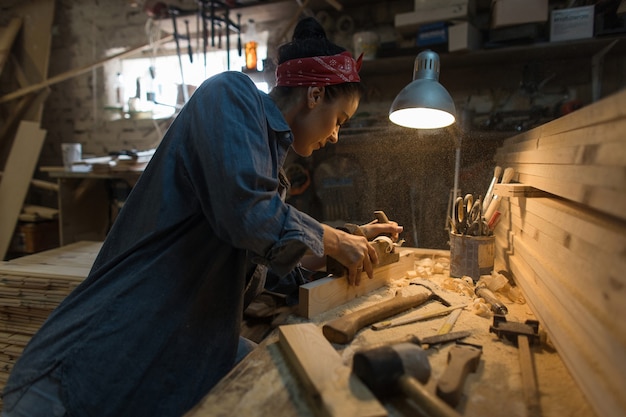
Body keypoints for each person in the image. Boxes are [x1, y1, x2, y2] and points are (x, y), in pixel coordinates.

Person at [1, 17, 402, 417]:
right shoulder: (230, 95)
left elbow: (269, 255)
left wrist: (352, 239)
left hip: (170, 358)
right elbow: (249, 216)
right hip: (94, 362)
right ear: (315, 93)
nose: (335, 137)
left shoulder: (265, 167)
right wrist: (333, 241)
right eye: (340, 121)